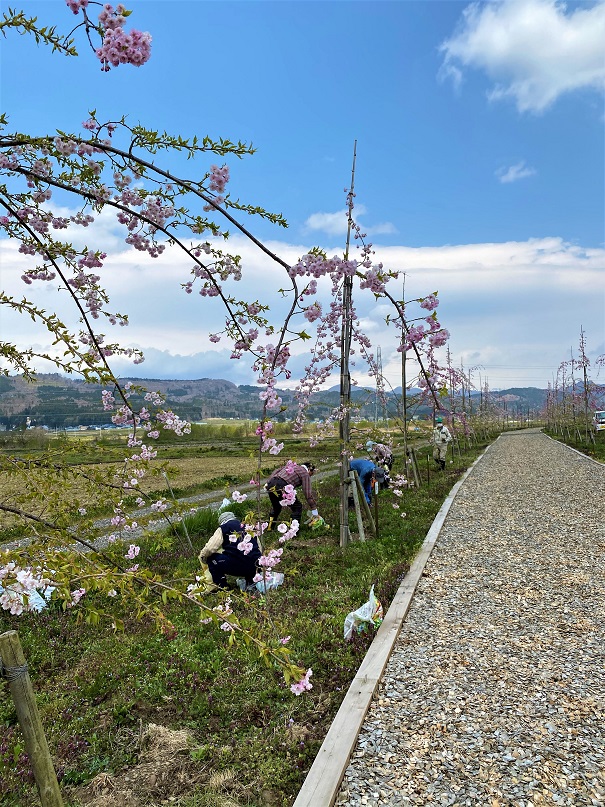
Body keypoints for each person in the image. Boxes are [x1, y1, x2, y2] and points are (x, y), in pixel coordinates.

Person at [198, 511, 261, 590]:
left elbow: (210, 548)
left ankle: (222, 586)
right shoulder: (249, 527)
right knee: (247, 555)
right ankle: (251, 581)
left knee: (212, 558)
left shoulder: (223, 528)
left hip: (239, 566)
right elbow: (259, 547)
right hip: (256, 565)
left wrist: (203, 556)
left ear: (222, 522)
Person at [265, 461, 320, 527]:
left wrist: (268, 482)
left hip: (271, 484)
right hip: (283, 486)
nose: (311, 475)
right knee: (297, 507)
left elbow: (276, 470)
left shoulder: (292, 466)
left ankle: (269, 527)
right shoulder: (305, 474)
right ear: (309, 469)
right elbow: (308, 493)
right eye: (312, 473)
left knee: (276, 507)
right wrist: (314, 510)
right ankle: (294, 529)